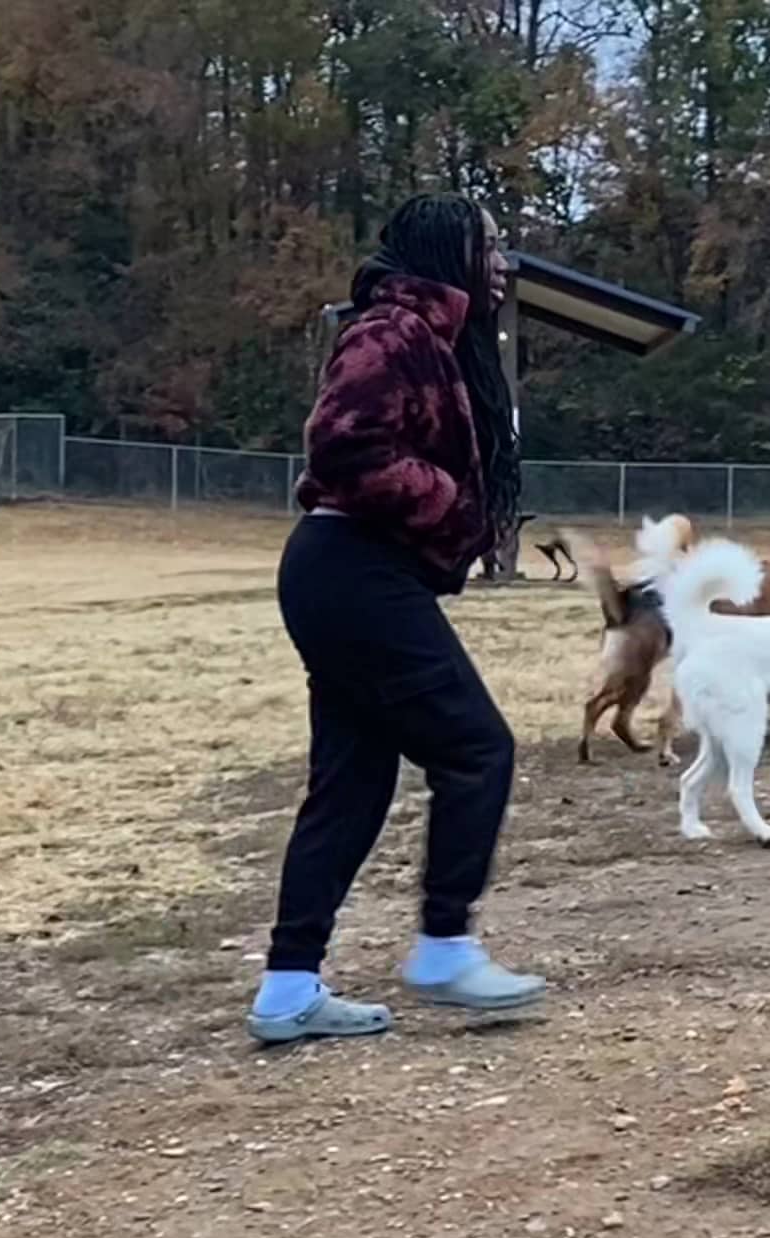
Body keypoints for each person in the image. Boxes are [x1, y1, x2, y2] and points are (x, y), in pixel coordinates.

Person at [248, 193, 546, 1043]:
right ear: (446, 251)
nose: (500, 261)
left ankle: (286, 989)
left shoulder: (436, 339)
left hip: (348, 573)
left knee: (352, 783)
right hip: (351, 568)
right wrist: (452, 506)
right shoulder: (391, 333)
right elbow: (344, 445)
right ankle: (445, 945)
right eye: (488, 246)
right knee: (476, 745)